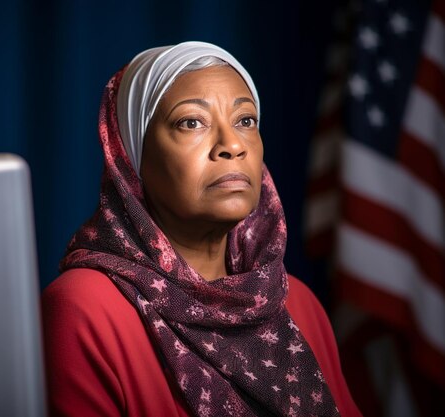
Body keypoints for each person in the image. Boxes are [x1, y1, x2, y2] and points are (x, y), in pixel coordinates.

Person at [41, 41, 362, 417]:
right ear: (130, 157)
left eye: (246, 121)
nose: (232, 145)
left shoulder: (295, 302)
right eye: (191, 122)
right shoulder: (84, 308)